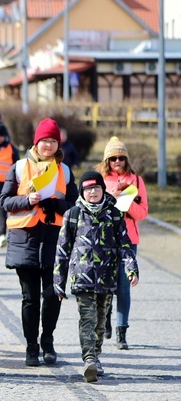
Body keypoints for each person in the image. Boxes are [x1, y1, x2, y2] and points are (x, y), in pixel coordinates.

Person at [0, 118, 78, 367]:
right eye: (45, 140)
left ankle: (48, 341)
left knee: (53, 294)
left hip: (54, 239)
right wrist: (28, 200)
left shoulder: (64, 171)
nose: (49, 145)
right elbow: (5, 202)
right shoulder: (20, 167)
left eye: (53, 140)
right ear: (37, 141)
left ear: (58, 144)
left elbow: (76, 207)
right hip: (26, 240)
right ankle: (31, 346)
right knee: (30, 298)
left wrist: (56, 204)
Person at [54, 171, 138, 382]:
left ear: (103, 190)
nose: (93, 192)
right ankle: (89, 358)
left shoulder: (115, 215)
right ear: (82, 191)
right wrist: (58, 282)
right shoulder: (73, 214)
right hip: (82, 279)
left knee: (101, 321)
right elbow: (62, 250)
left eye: (97, 188)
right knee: (87, 319)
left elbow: (125, 245)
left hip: (107, 278)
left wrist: (131, 269)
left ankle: (96, 356)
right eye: (88, 188)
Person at [96, 137, 148, 349]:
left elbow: (143, 212)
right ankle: (106, 318)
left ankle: (122, 331)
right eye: (113, 158)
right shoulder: (100, 179)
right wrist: (111, 198)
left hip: (129, 240)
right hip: (105, 240)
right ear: (107, 160)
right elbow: (93, 209)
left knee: (124, 287)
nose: (118, 161)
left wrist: (127, 205)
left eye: (121, 157)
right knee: (106, 284)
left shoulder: (136, 181)